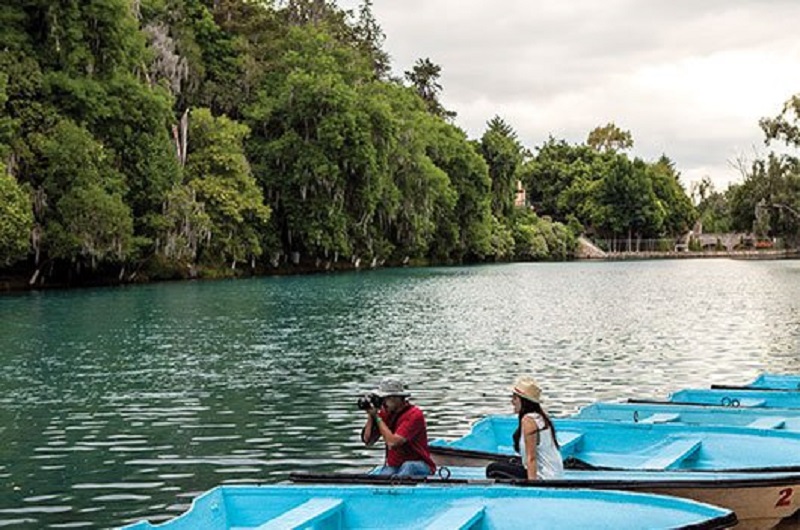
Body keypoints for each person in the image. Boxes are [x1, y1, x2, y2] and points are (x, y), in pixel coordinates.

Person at [486, 375, 564, 480]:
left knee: (492, 469)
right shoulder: (538, 416)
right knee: (508, 462)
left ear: (523, 401)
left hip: (545, 477)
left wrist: (532, 485)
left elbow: (531, 458)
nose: (512, 401)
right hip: (554, 473)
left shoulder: (529, 420)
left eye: (515, 398)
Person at [360, 378, 436, 477]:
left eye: (385, 399)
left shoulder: (414, 415)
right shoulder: (385, 413)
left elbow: (393, 442)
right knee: (384, 475)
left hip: (419, 465)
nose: (383, 403)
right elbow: (368, 441)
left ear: (397, 398)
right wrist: (371, 415)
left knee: (408, 467)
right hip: (395, 465)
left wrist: (378, 418)